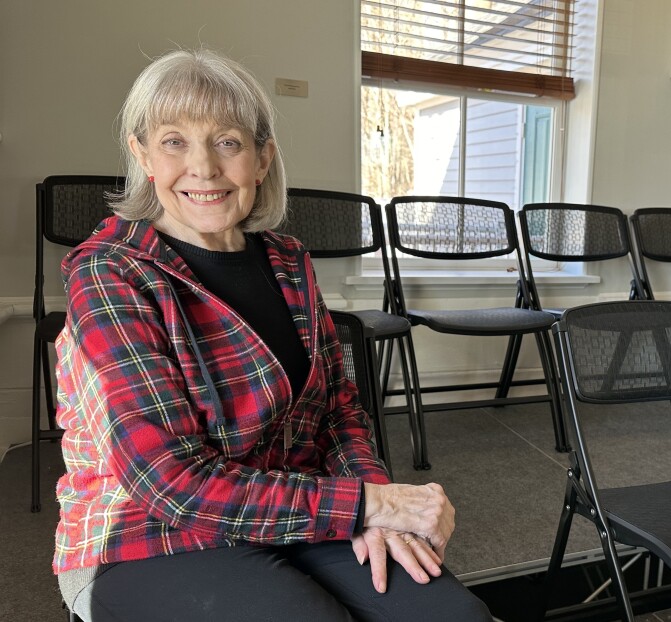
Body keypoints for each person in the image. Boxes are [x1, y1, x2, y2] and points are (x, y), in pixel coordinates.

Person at [53, 48, 492, 622]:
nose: (204, 167)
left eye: (228, 142)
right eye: (174, 141)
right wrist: (369, 503)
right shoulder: (109, 272)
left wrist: (372, 496)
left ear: (262, 159)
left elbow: (338, 410)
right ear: (143, 156)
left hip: (294, 506)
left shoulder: (288, 260)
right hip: (145, 533)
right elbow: (170, 482)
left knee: (453, 618)